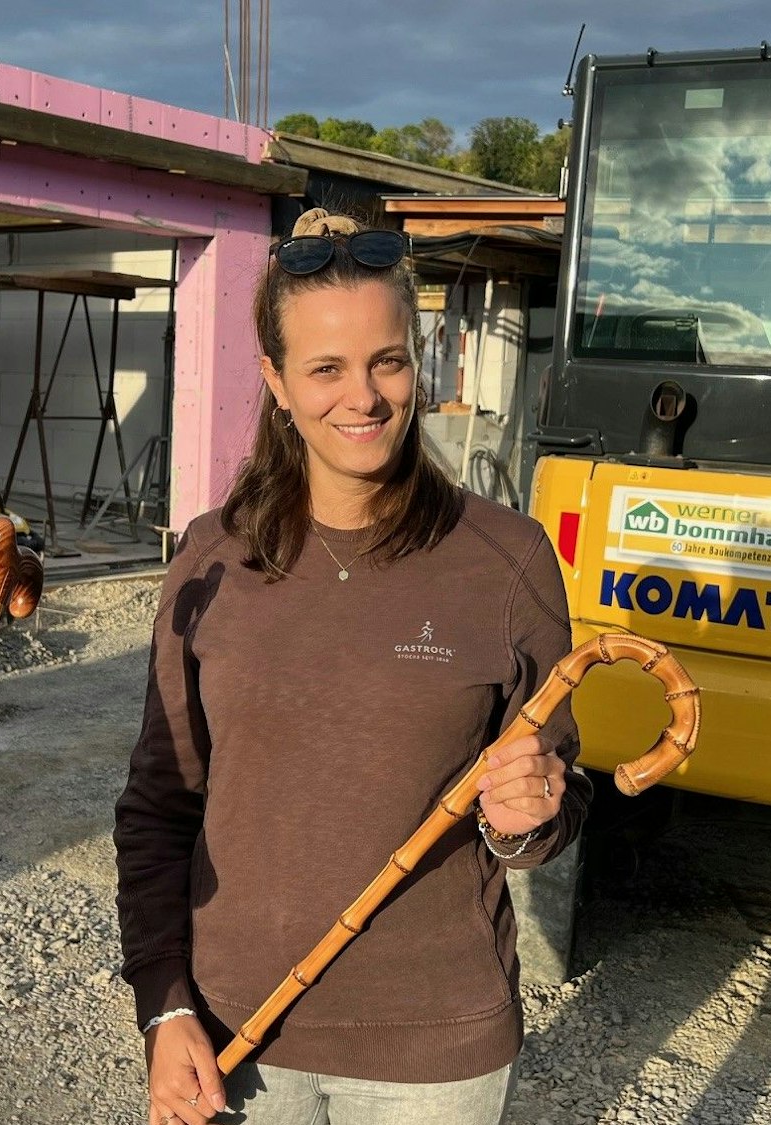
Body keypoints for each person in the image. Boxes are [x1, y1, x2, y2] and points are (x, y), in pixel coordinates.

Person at [114, 209, 589, 1125]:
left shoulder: (508, 559)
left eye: (387, 361)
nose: (362, 397)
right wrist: (164, 1001)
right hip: (236, 1031)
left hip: (436, 1051)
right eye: (325, 368)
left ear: (422, 361)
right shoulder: (212, 559)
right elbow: (158, 805)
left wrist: (525, 818)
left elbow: (555, 801)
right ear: (276, 382)